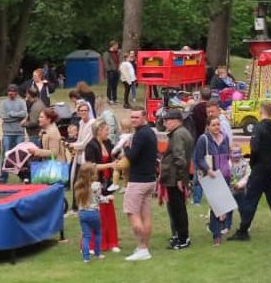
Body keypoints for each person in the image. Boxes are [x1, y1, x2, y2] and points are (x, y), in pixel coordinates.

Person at [231, 101, 271, 241]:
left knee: (250, 199)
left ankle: (243, 230)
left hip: (260, 168)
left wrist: (253, 164)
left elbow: (254, 147)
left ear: (261, 111)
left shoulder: (258, 128)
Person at [121, 109, 159, 261]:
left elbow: (132, 156)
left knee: (133, 213)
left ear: (144, 117)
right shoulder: (150, 132)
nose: (133, 119)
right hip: (149, 180)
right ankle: (144, 247)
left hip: (138, 181)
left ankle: (143, 249)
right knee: (146, 215)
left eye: (136, 117)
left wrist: (125, 146)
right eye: (131, 117)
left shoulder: (141, 134)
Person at [83, 120, 122, 253]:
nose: (108, 132)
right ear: (99, 130)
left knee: (108, 212)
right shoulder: (91, 145)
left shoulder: (108, 143)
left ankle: (112, 242)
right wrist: (109, 165)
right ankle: (94, 244)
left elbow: (114, 156)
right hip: (95, 182)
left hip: (107, 183)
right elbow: (91, 166)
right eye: (106, 129)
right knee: (96, 213)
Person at [195, 113, 234, 245]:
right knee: (216, 205)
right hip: (212, 175)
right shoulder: (203, 139)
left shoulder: (225, 137)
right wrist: (208, 169)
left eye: (218, 124)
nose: (217, 127)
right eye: (213, 125)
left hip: (225, 175)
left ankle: (219, 227)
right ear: (208, 127)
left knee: (224, 205)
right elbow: (198, 158)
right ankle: (217, 235)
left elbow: (228, 155)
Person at [161, 109, 195, 249]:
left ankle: (183, 239)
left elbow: (179, 157)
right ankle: (181, 236)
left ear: (176, 121)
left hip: (175, 177)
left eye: (167, 120)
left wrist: (180, 178)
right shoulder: (184, 132)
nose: (165, 123)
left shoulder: (177, 135)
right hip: (178, 176)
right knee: (178, 208)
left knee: (177, 209)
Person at [74, 163, 106, 263]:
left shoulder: (78, 186)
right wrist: (107, 199)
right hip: (94, 213)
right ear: (92, 174)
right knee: (97, 233)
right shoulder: (96, 185)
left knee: (86, 236)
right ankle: (97, 253)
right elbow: (99, 199)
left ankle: (86, 257)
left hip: (82, 214)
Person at [0, 84, 28, 155]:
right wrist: (18, 118)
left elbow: (24, 114)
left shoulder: (22, 102)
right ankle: (5, 166)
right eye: (9, 91)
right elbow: (4, 117)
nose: (11, 93)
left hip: (19, 132)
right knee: (7, 153)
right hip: (7, 133)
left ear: (16, 93)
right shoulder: (3, 103)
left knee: (19, 153)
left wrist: (12, 114)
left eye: (13, 91)